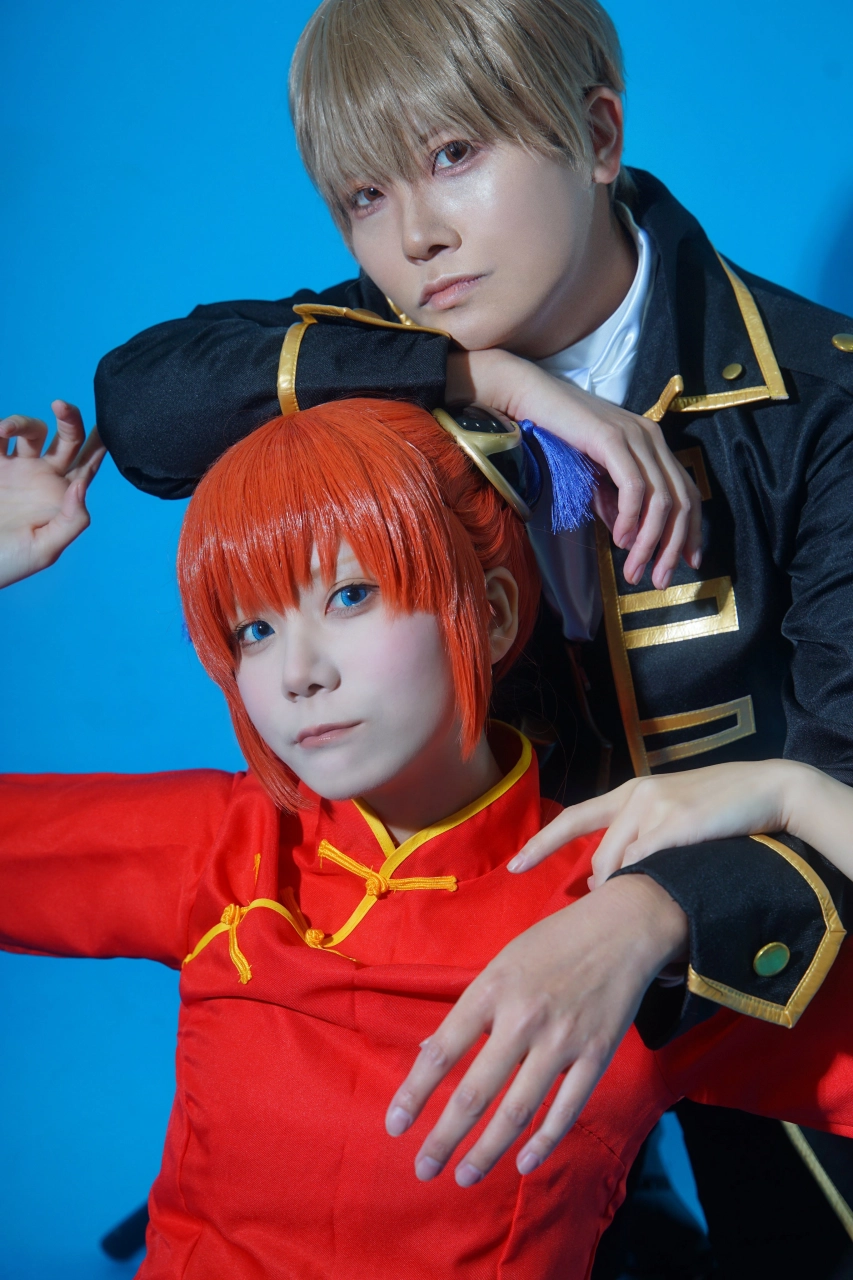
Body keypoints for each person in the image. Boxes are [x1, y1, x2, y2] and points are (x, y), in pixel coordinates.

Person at [80, 0, 853, 1270]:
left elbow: (842, 778)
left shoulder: (818, 405)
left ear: (596, 135)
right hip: (464, 959)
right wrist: (479, 379)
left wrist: (648, 914)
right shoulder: (407, 346)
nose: (416, 237)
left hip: (757, 957)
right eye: (365, 196)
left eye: (454, 156)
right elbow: (144, 402)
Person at [2, 395, 853, 1280]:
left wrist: (794, 793)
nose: (297, 673)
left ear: (491, 613)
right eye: (254, 629)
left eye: (350, 595)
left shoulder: (628, 915)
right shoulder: (224, 847)